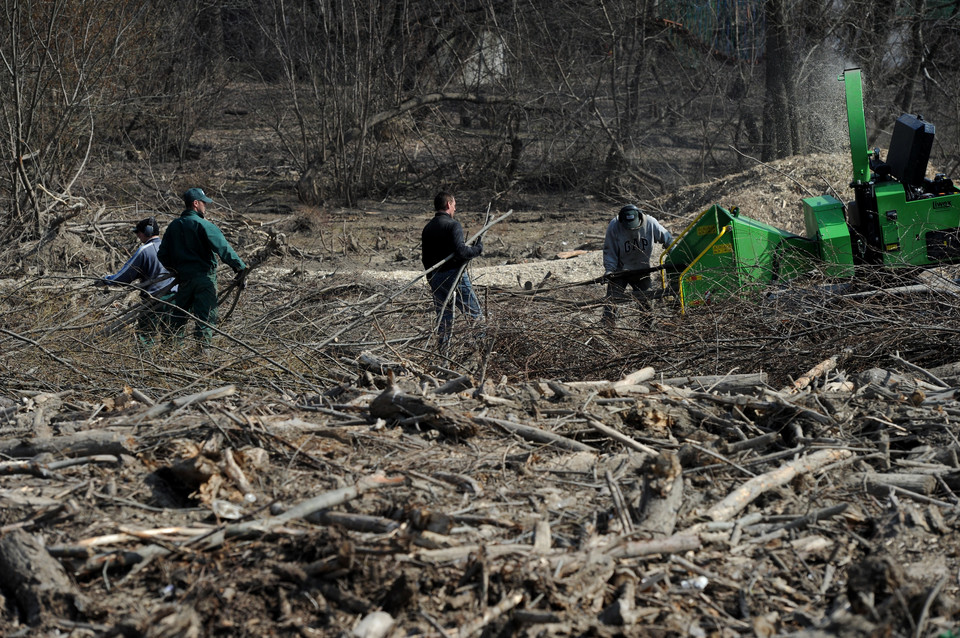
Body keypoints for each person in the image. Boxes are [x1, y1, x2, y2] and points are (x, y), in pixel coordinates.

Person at [158, 188, 248, 348]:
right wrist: (240, 268)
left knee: (178, 319)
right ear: (195, 203)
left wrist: (176, 270)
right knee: (205, 318)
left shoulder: (173, 226)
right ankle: (202, 356)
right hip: (204, 279)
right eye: (203, 203)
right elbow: (224, 249)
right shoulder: (204, 225)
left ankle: (171, 354)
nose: (205, 206)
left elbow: (162, 255)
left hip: (184, 280)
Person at [98, 216, 177, 345]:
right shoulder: (171, 247)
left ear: (146, 232)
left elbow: (123, 277)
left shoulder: (144, 251)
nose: (138, 236)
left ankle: (144, 364)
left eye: (139, 233)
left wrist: (106, 280)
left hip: (154, 300)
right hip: (175, 298)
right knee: (171, 338)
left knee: (146, 338)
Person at [421, 191, 484, 348]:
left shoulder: (427, 228)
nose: (455, 209)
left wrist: (431, 280)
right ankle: (484, 347)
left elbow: (425, 259)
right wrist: (477, 249)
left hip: (435, 278)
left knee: (444, 319)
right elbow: (461, 252)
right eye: (454, 205)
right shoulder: (453, 225)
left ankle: (444, 351)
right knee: (474, 314)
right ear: (448, 205)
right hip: (454, 277)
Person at [601, 204, 673, 327]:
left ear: (639, 217)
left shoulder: (650, 223)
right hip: (620, 270)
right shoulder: (614, 226)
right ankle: (607, 329)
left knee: (646, 304)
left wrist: (675, 253)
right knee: (611, 303)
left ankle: (647, 331)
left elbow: (667, 240)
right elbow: (609, 251)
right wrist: (609, 271)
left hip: (642, 269)